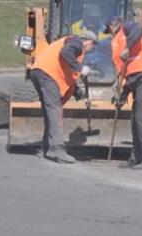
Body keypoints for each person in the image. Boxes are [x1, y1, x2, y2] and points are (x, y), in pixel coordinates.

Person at [105, 17, 142, 170]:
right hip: (137, 77)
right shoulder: (115, 42)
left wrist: (128, 48)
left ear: (113, 26)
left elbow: (139, 29)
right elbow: (128, 73)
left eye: (109, 29)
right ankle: (137, 157)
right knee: (135, 120)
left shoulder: (128, 28)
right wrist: (122, 96)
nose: (110, 33)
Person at [30, 31, 97, 163]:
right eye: (93, 46)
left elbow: (66, 70)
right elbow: (65, 53)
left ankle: (46, 148)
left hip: (39, 71)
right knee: (55, 110)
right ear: (88, 41)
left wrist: (79, 93)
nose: (91, 49)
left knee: (50, 112)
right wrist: (80, 67)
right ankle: (57, 149)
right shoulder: (77, 43)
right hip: (48, 74)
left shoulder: (71, 45)